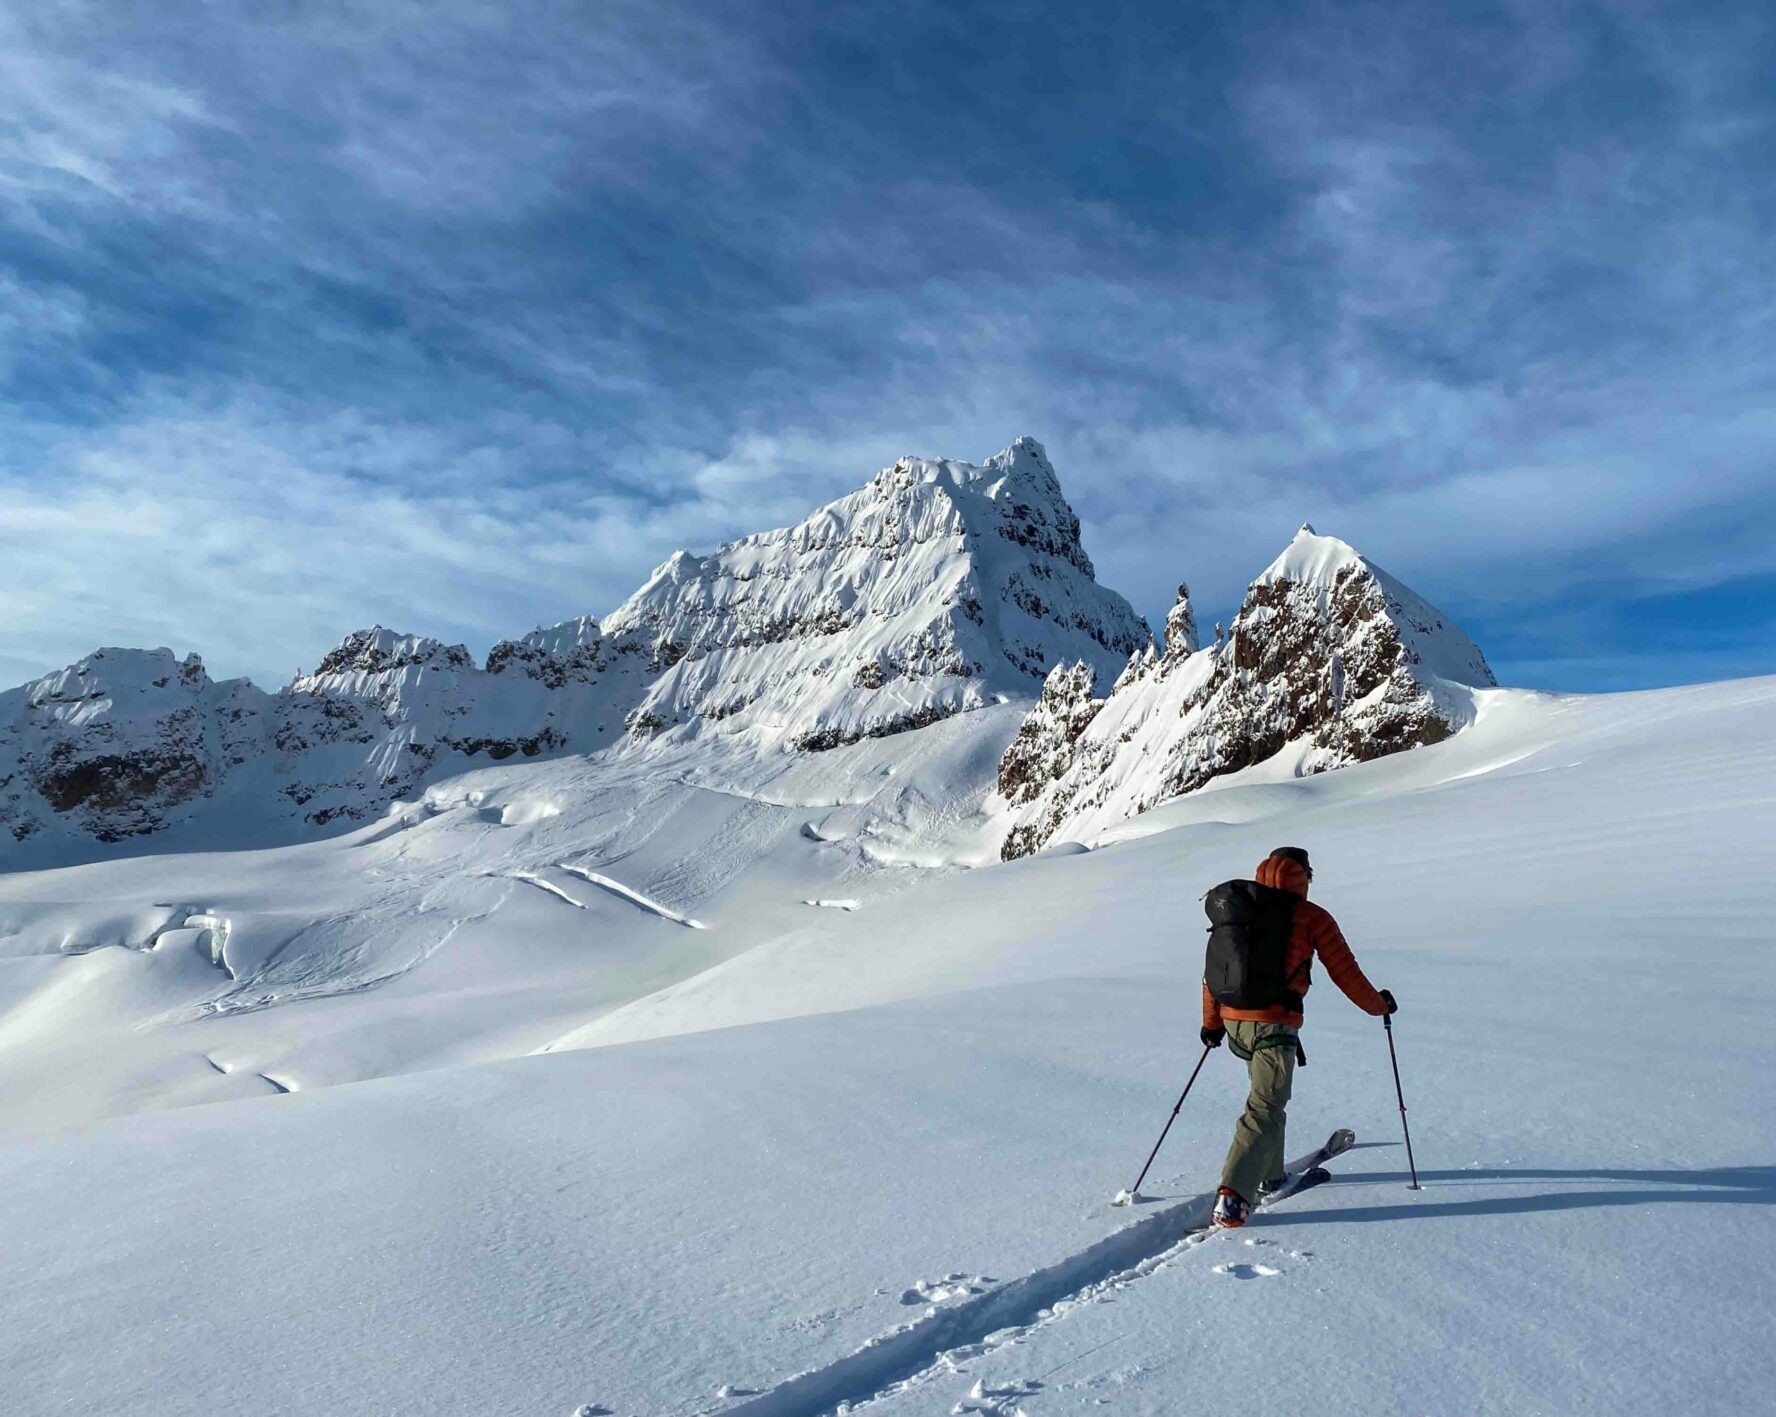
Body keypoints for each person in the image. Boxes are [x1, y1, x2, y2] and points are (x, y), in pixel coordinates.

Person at [1201, 846, 1396, 1228]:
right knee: (1264, 1108)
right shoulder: (1311, 917)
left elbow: (1214, 971)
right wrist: (1379, 1007)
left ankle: (1269, 1176)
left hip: (1234, 1021)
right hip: (1274, 1024)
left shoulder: (1240, 912)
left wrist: (1211, 1024)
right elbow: (1346, 973)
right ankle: (1233, 1196)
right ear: (1303, 876)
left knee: (1267, 1099)